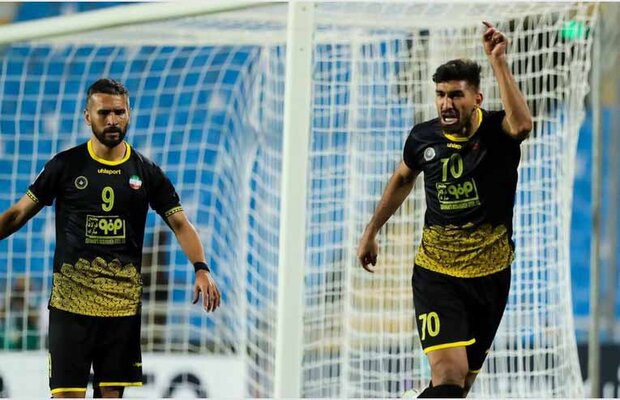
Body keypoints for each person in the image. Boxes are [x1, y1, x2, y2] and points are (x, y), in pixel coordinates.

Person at [0, 78, 221, 398]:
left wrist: (201, 267)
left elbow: (181, 224)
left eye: (119, 112)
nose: (113, 120)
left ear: (129, 113)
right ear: (87, 116)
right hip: (70, 307)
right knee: (66, 395)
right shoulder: (65, 166)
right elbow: (18, 214)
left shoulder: (146, 172)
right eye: (104, 113)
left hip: (121, 309)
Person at [357, 22, 532, 398]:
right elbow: (403, 179)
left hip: (492, 276)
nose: (446, 104)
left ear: (477, 99)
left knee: (457, 388)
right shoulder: (423, 136)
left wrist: (498, 61)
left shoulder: (498, 132)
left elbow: (523, 124)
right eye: (440, 95)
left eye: (455, 95)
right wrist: (372, 230)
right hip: (437, 274)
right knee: (449, 375)